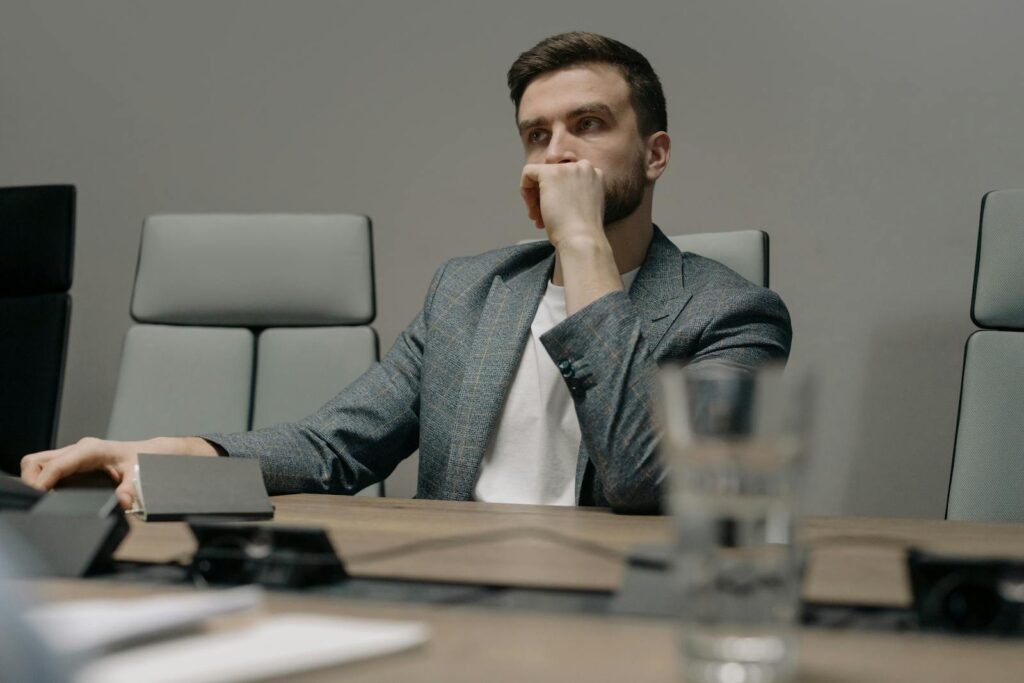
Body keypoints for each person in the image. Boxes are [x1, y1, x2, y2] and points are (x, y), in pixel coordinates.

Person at [21, 32, 791, 513]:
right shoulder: (470, 290)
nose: (556, 152)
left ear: (655, 153)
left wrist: (584, 243)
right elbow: (334, 448)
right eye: (537, 134)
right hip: (450, 599)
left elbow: (640, 480)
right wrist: (162, 454)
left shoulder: (733, 314)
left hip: (611, 620)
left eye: (588, 125)